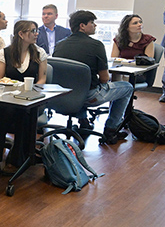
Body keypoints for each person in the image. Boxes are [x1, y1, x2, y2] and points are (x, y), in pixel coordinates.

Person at [53, 10, 134, 144]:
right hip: (89, 96)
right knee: (127, 87)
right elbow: (104, 78)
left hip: (63, 96)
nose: (95, 26)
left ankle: (83, 121)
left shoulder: (60, 44)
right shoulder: (96, 45)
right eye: (92, 23)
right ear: (82, 26)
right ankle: (111, 130)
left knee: (78, 85)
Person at [0, 21, 47, 175]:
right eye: (32, 31)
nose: (36, 34)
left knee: (24, 113)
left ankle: (16, 159)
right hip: (7, 98)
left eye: (36, 31)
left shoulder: (39, 53)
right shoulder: (4, 53)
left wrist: (30, 91)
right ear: (21, 34)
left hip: (30, 97)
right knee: (5, 112)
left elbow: (42, 80)